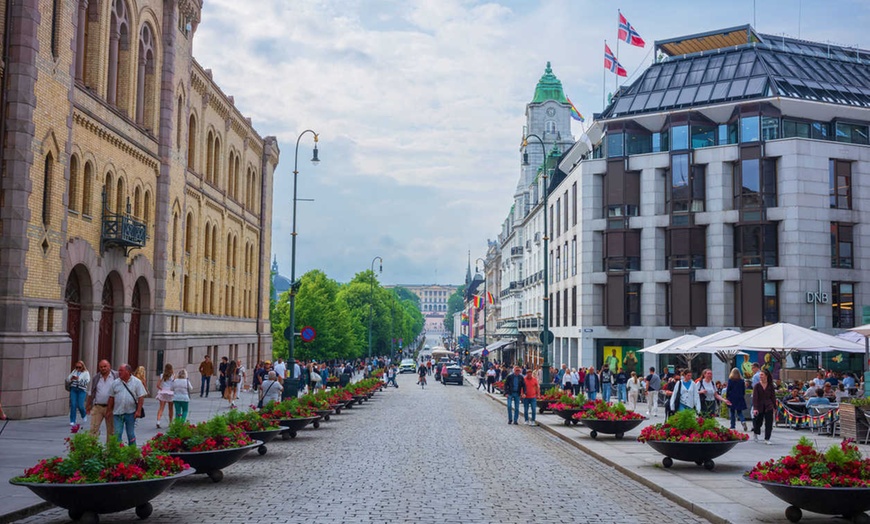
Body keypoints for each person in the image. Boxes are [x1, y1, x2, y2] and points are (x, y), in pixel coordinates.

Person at [107, 364, 146, 446]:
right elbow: (111, 397)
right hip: (117, 413)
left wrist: (138, 411)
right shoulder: (115, 383)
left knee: (130, 433)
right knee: (117, 433)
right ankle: (117, 452)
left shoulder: (137, 382)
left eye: (121, 370)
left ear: (127, 372)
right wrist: (109, 410)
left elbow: (141, 397)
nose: (119, 372)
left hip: (131, 413)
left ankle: (132, 451)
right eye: (119, 370)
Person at [86, 359, 117, 440]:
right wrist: (88, 405)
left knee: (111, 430)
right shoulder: (96, 377)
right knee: (93, 429)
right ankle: (92, 448)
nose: (103, 368)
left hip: (111, 408)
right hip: (98, 406)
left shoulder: (115, 376)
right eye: (101, 367)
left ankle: (110, 450)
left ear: (109, 366)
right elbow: (92, 392)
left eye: (105, 366)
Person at [751, 369, 776, 444]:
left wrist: (774, 407)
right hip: (759, 406)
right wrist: (755, 408)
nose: (760, 376)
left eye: (762, 375)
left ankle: (767, 439)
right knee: (758, 422)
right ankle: (755, 433)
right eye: (760, 375)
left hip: (769, 405)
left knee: (769, 423)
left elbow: (773, 396)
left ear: (766, 376)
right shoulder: (757, 386)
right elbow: (755, 398)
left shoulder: (770, 386)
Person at [66, 361, 90, 427]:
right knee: (73, 405)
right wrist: (71, 379)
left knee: (80, 405)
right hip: (73, 389)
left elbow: (87, 381)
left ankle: (83, 414)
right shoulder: (74, 371)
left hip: (81, 390)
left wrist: (78, 379)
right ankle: (72, 420)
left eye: (79, 367)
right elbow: (68, 379)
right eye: (77, 367)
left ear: (83, 367)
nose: (78, 369)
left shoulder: (86, 373)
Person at [155, 363, 175, 429]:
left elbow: (157, 385)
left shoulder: (162, 375)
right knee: (170, 408)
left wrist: (161, 389)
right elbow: (174, 384)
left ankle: (158, 421)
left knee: (161, 408)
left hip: (163, 392)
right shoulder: (173, 376)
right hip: (170, 392)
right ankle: (170, 422)